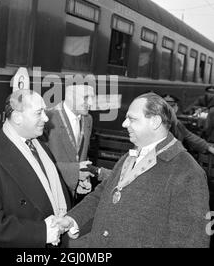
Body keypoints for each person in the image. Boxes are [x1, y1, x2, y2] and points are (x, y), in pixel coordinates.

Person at [56, 93, 210, 248]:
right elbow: (101, 194)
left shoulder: (187, 171)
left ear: (155, 122)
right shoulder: (129, 157)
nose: (124, 124)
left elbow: (190, 240)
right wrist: (72, 219)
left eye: (132, 119)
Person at [0, 89, 71, 248]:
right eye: (38, 113)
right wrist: (42, 233)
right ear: (17, 117)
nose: (45, 118)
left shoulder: (41, 148)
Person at [44, 84, 111, 204]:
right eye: (86, 97)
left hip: (73, 192)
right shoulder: (48, 117)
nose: (90, 102)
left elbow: (81, 153)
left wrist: (83, 178)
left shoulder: (88, 119)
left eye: (92, 98)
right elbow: (41, 161)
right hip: (51, 189)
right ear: (71, 97)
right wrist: (75, 173)